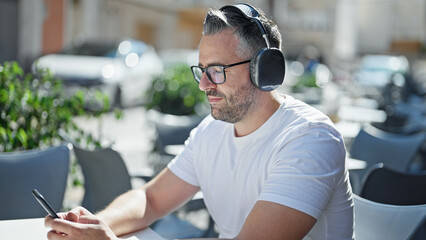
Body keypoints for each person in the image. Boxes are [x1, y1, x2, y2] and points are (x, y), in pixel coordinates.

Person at [45, 3, 354, 240]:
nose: (204, 84)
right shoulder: (213, 130)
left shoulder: (311, 139)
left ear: (265, 70)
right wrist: (97, 225)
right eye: (202, 69)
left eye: (217, 70)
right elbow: (150, 198)